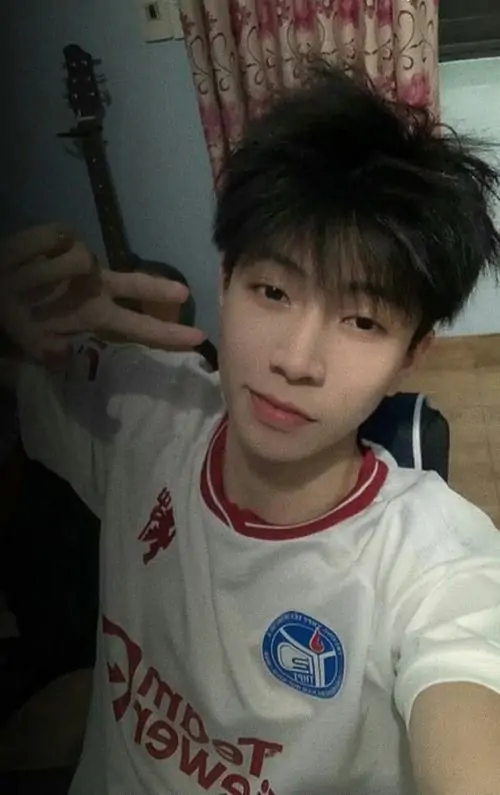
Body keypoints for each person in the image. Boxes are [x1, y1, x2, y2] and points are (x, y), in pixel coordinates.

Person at [1, 63, 500, 795]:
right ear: (225, 281)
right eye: (272, 290)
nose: (296, 359)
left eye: (362, 321)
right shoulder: (145, 413)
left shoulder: (433, 558)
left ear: (410, 356)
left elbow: (467, 703)